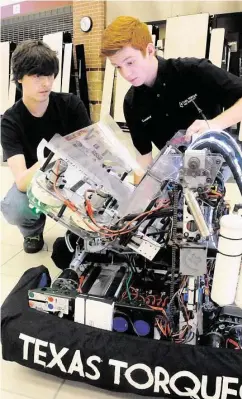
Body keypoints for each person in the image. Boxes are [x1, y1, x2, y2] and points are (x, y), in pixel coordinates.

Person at [101, 16, 242, 184]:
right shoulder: (132, 103)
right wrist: (138, 202)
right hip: (174, 168)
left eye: (130, 62)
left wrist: (215, 124)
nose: (126, 74)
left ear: (150, 50)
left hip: (215, 160)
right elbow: (144, 159)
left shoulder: (194, 71)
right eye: (118, 67)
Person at [1, 40, 91, 253]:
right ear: (20, 78)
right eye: (38, 76)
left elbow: (91, 151)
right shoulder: (10, 121)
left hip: (74, 176)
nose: (46, 84)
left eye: (50, 75)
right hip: (36, 182)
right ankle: (32, 231)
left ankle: (78, 230)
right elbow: (22, 182)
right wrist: (55, 154)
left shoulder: (71, 105)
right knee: (15, 207)